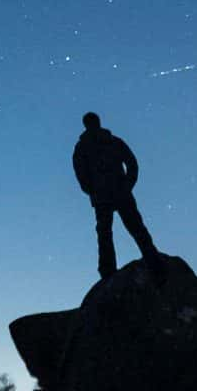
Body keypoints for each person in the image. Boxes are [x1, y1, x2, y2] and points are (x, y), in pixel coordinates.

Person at [73, 111, 164, 281]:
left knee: (115, 230)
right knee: (119, 229)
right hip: (113, 193)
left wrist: (123, 185)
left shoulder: (93, 145)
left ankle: (111, 269)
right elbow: (82, 174)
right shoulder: (103, 143)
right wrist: (124, 185)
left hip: (112, 194)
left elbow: (131, 164)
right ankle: (148, 258)